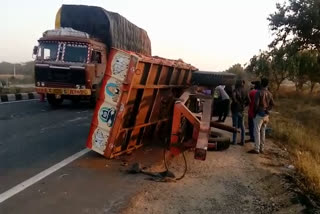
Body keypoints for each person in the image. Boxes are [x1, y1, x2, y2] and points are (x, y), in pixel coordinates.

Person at [250, 78, 274, 154]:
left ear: (261, 83)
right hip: (266, 115)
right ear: (267, 84)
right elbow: (272, 104)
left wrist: (255, 112)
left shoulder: (259, 92)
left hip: (259, 114)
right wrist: (268, 110)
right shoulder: (269, 93)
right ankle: (262, 148)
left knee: (257, 131)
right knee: (263, 131)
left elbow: (256, 104)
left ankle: (256, 149)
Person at [231, 80, 249, 145]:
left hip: (235, 109)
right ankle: (243, 141)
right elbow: (249, 101)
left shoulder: (235, 90)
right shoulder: (245, 91)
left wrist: (236, 103)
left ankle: (234, 141)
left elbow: (233, 98)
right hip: (242, 110)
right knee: (242, 126)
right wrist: (244, 105)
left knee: (234, 125)